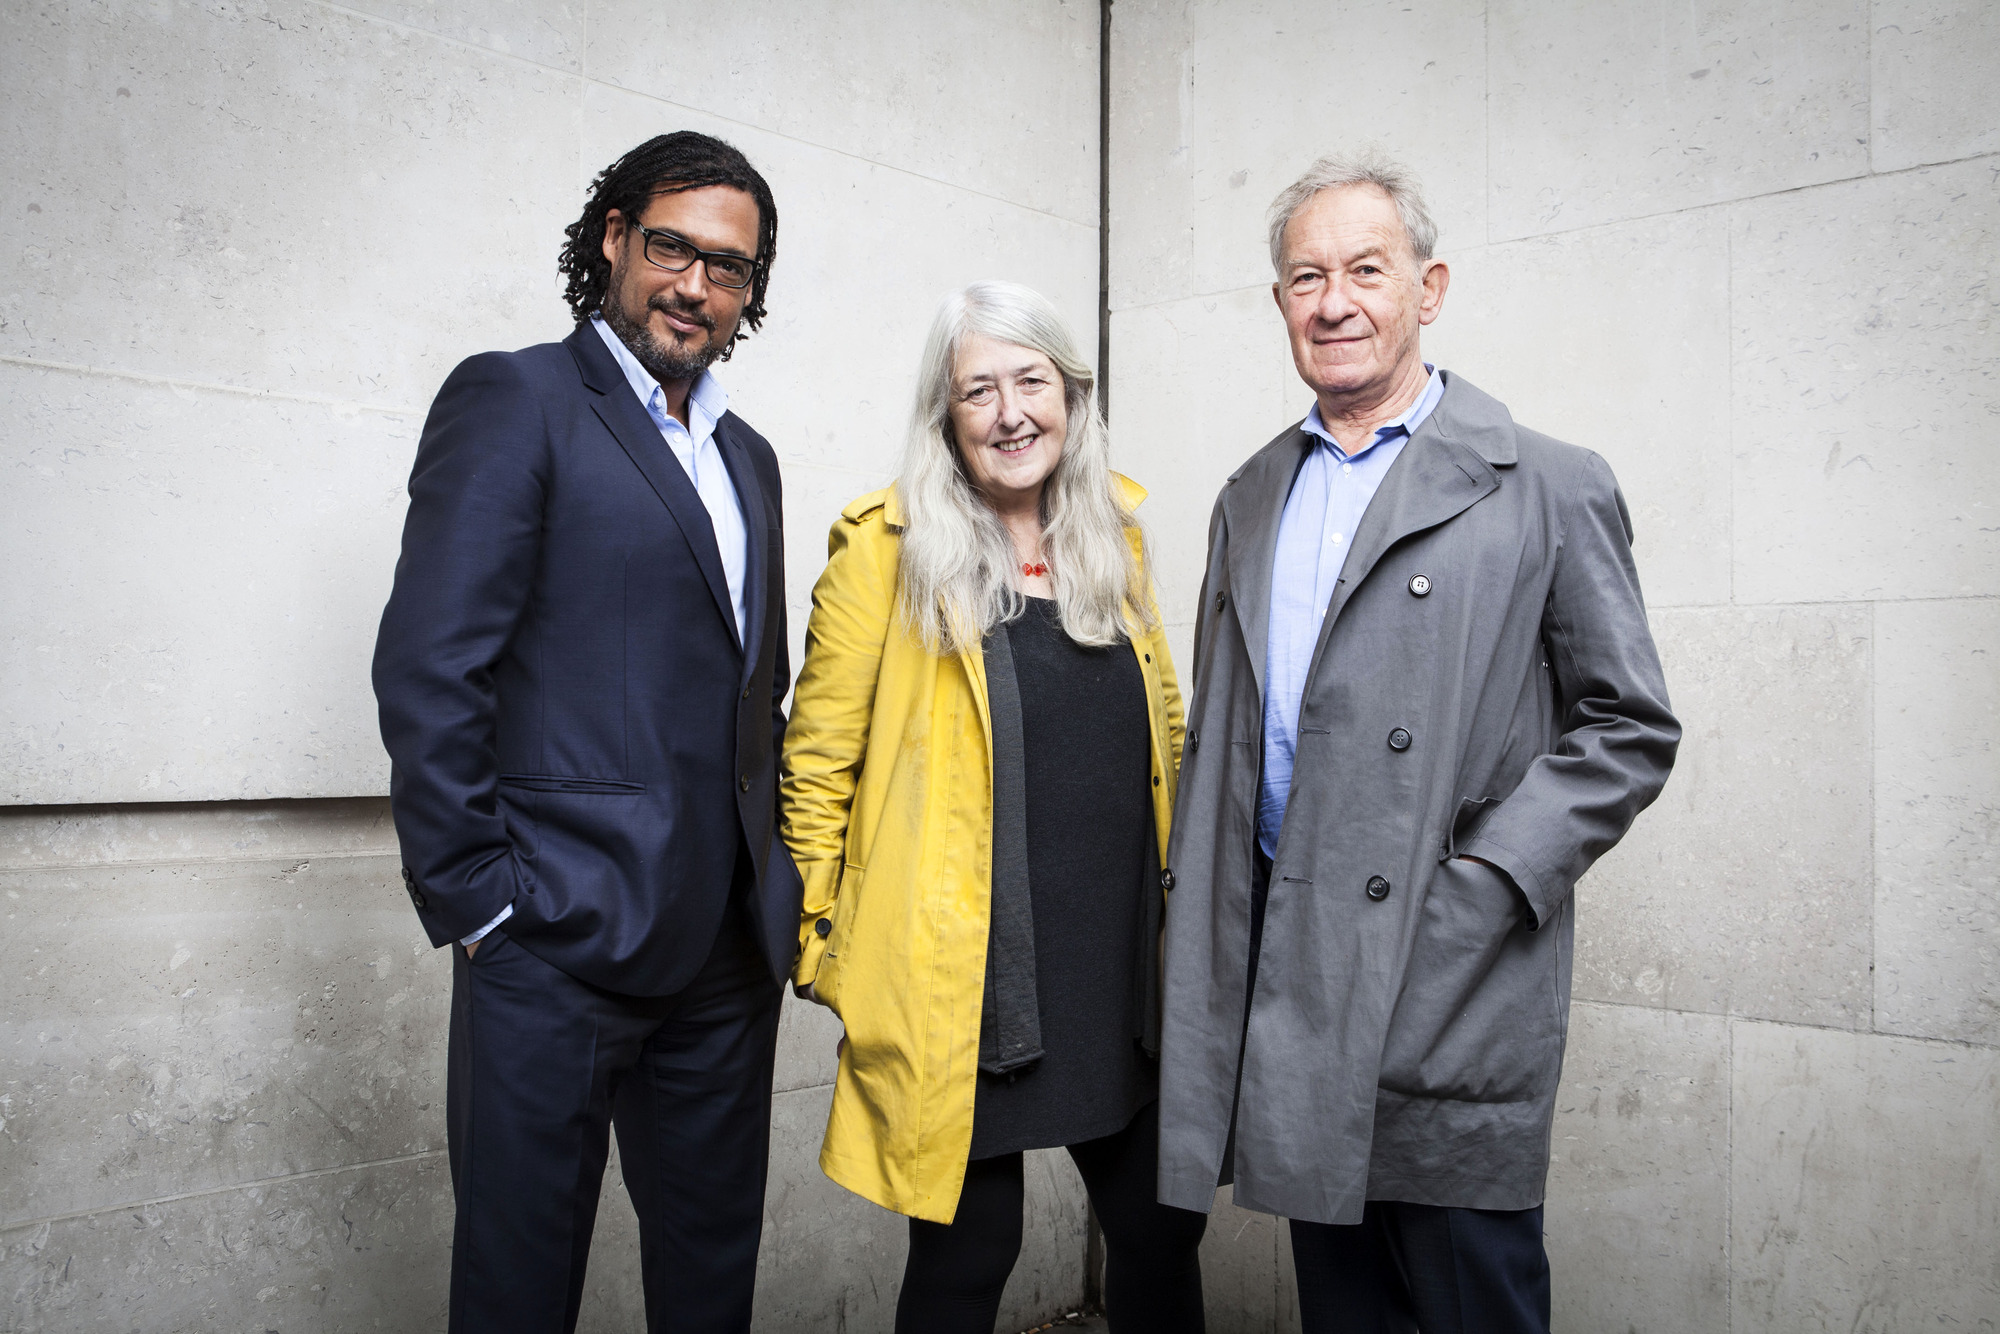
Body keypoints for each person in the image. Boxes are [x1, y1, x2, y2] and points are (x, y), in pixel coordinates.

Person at [1155, 152, 1681, 1332]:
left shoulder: (1544, 482)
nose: (1332, 300)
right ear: (1280, 303)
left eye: (1364, 269)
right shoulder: (1249, 491)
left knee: (1467, 1304)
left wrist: (1488, 882)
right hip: (1293, 975)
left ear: (1427, 289)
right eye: (1304, 276)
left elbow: (1627, 724)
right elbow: (1233, 741)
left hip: (1447, 968)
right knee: (1345, 1312)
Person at [371, 131, 800, 1334]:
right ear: (614, 236)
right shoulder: (517, 399)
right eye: (672, 246)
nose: (695, 286)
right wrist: (482, 902)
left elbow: (745, 690)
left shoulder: (749, 459)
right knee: (518, 1294)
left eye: (729, 267)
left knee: (710, 1287)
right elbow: (430, 662)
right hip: (553, 943)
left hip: (722, 956)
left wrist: (776, 880)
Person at [781, 280, 1209, 1332]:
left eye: (1032, 380)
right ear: (947, 415)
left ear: (1070, 395)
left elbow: (1171, 734)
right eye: (980, 389)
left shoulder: (1120, 542)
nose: (1011, 411)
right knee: (972, 1249)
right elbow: (816, 767)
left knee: (1158, 1230)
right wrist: (825, 950)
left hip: (1119, 965)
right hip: (961, 975)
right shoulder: (883, 551)